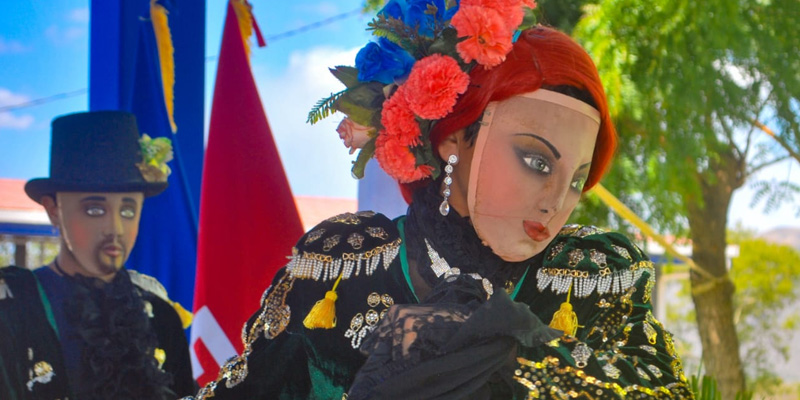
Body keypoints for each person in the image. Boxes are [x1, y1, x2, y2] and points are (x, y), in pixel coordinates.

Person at [188, 1, 693, 398]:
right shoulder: (344, 266)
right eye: (536, 161)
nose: (556, 201)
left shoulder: (591, 275)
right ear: (453, 137)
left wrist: (515, 345)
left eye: (578, 178)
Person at [0, 111, 195, 399]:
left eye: (128, 210)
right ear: (54, 209)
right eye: (94, 210)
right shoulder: (13, 309)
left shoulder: (159, 315)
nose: (114, 228)